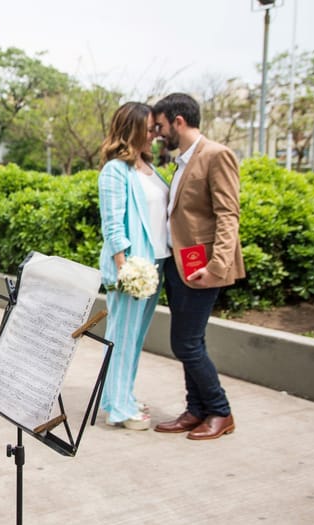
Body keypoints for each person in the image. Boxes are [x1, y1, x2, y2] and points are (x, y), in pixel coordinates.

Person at [152, 93, 245, 440]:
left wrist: (218, 265)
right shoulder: (182, 161)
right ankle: (196, 410)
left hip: (203, 268)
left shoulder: (216, 155)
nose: (158, 132)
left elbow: (228, 215)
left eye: (160, 125)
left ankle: (220, 412)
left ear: (178, 121)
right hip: (180, 265)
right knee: (193, 341)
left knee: (186, 343)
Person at [97, 102, 170, 430]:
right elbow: (113, 224)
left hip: (155, 263)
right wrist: (125, 268)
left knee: (134, 338)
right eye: (151, 127)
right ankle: (119, 409)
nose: (156, 134)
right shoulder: (115, 170)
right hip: (132, 267)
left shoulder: (150, 168)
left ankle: (119, 396)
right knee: (122, 337)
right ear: (134, 128)